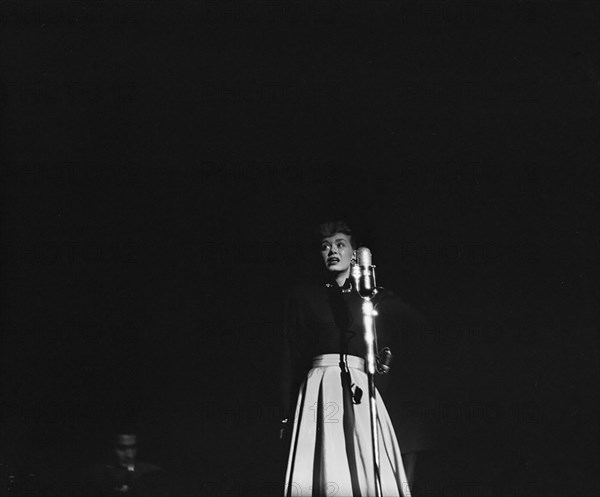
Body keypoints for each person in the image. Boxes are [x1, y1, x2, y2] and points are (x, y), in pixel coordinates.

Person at [280, 221, 412, 497]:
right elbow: (292, 354)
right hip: (321, 387)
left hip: (360, 388)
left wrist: (381, 362)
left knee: (364, 460)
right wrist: (286, 411)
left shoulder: (371, 297)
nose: (332, 251)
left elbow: (384, 345)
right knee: (327, 461)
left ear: (354, 253)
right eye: (326, 246)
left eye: (340, 244)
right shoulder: (305, 296)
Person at [82, 429, 170, 496]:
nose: (130, 455)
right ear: (111, 448)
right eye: (122, 448)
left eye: (133, 448)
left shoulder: (153, 473)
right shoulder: (94, 475)